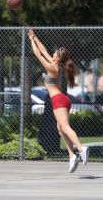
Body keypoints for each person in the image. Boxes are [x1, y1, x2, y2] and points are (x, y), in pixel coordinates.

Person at [28, 29, 89, 173]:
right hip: (62, 99)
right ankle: (72, 155)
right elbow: (42, 50)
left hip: (58, 100)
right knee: (60, 130)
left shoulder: (52, 68)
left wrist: (30, 41)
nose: (52, 54)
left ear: (57, 58)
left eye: (54, 53)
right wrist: (35, 37)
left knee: (65, 127)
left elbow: (38, 54)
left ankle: (81, 148)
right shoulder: (57, 64)